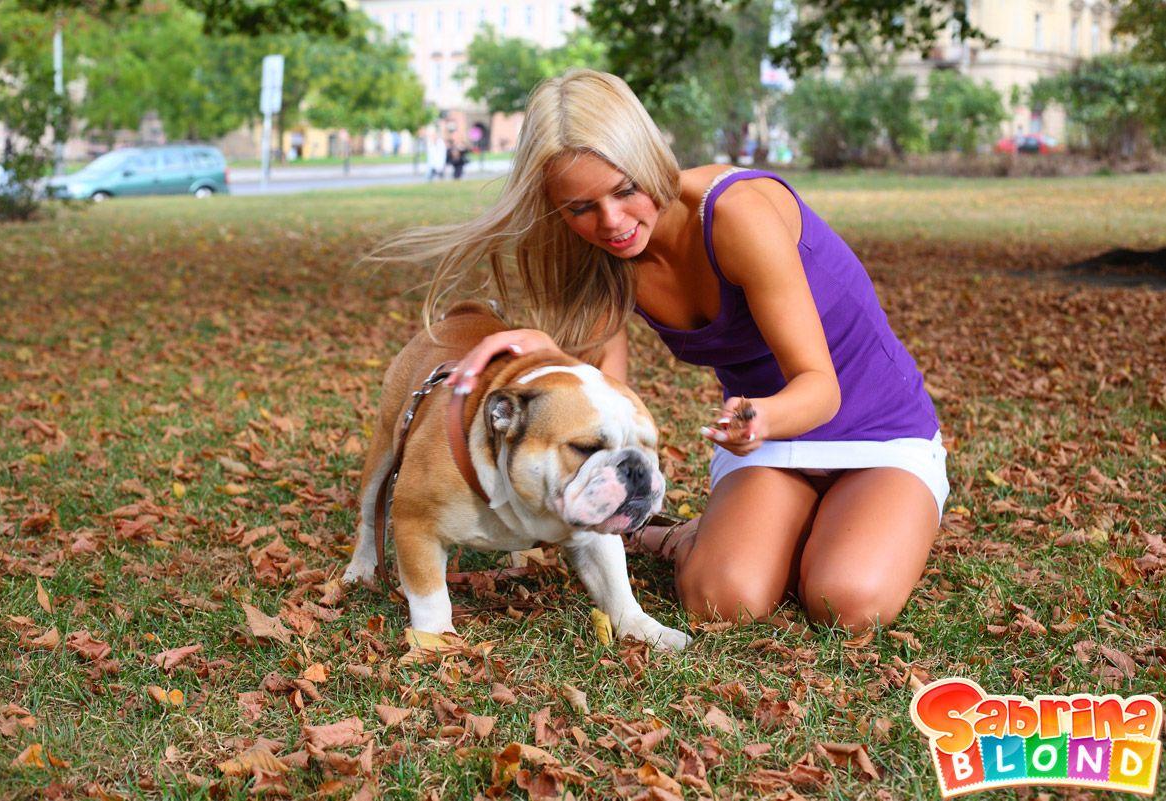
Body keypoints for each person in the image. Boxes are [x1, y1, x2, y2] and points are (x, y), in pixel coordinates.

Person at [385, 69, 948, 633]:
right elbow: (603, 392)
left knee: (846, 602)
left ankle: (841, 521)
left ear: (650, 156)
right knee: (722, 601)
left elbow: (821, 388)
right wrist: (549, 356)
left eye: (625, 189)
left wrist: (761, 418)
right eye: (581, 207)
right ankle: (685, 536)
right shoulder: (602, 255)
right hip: (768, 443)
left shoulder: (734, 213)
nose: (612, 221)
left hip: (875, 430)